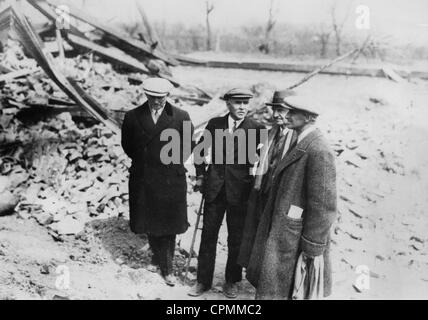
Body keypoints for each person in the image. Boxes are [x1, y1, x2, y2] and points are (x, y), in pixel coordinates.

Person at [246, 95, 337, 300]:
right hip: (288, 230)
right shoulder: (301, 141)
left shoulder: (319, 149)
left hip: (296, 233)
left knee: (293, 290)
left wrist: (312, 246)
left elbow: (324, 204)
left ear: (307, 117)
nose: (287, 115)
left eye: (293, 112)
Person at [188, 88, 265, 299]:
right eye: (238, 103)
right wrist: (201, 175)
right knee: (208, 235)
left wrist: (256, 183)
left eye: (245, 103)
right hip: (215, 189)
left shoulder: (256, 128)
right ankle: (203, 281)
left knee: (236, 238)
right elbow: (199, 151)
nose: (242, 107)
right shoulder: (215, 124)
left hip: (240, 192)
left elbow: (263, 161)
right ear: (228, 104)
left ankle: (232, 281)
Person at [121, 78, 194, 287]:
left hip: (170, 178)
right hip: (144, 177)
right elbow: (128, 145)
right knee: (149, 221)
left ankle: (168, 268)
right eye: (152, 97)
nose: (156, 102)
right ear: (146, 95)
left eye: (161, 98)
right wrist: (146, 161)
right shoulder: (133, 116)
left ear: (167, 96)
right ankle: (155, 257)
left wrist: (168, 161)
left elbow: (188, 146)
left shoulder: (181, 117)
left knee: (169, 226)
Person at [238, 90, 298, 271]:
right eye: (276, 110)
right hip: (264, 191)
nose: (278, 114)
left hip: (284, 196)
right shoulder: (271, 132)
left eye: (283, 110)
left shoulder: (296, 137)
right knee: (260, 232)